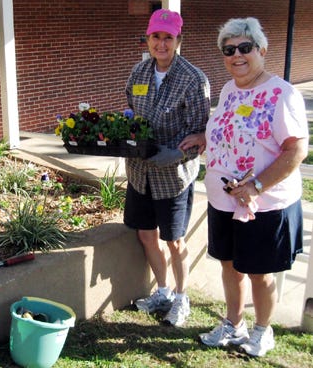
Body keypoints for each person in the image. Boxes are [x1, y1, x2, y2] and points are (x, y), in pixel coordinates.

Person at [199, 17, 308, 357]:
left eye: (245, 48)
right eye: (228, 50)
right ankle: (234, 324)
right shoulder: (230, 88)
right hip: (224, 199)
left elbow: (296, 150)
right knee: (229, 264)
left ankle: (262, 330)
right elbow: (230, 132)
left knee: (260, 273)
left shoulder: (282, 93)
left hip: (264, 202)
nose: (237, 55)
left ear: (261, 49)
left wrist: (257, 185)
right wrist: (201, 139)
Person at [124, 9, 210, 327]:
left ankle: (182, 297)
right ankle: (162, 292)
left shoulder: (193, 79)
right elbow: (131, 109)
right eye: (156, 36)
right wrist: (125, 126)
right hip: (139, 172)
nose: (161, 44)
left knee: (174, 240)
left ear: (178, 40)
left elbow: (201, 133)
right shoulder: (139, 73)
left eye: (168, 37)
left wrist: (174, 155)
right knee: (147, 234)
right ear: (147, 39)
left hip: (172, 177)